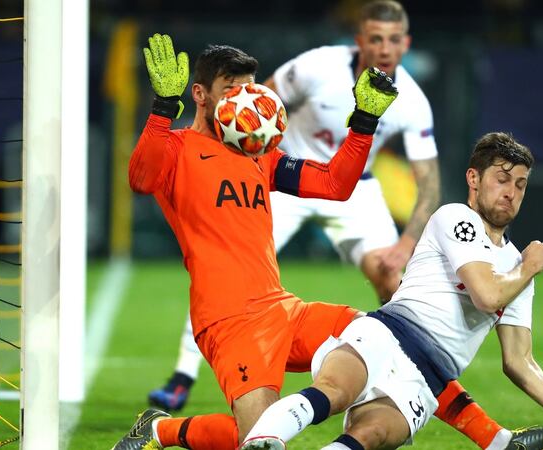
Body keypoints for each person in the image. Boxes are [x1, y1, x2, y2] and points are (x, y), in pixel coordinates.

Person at [149, 3, 543, 450]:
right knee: (254, 422)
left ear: (405, 45)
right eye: (375, 38)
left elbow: (397, 180)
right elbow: (254, 105)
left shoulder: (411, 99)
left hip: (344, 191)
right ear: (360, 40)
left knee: (386, 321)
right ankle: (178, 384)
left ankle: (491, 436)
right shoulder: (315, 66)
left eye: (392, 40)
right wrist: (227, 135)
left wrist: (406, 237)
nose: (383, 48)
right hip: (269, 196)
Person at [239, 132, 543, 450]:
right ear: (474, 178)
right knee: (333, 391)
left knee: (370, 436)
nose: (511, 192)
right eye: (502, 179)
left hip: (428, 381)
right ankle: (262, 442)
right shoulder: (457, 218)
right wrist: (530, 268)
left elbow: (519, 362)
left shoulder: (517, 266)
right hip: (387, 336)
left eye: (520, 184)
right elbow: (486, 295)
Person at [112, 33, 398, 450]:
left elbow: (335, 185)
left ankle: (489, 437)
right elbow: (140, 179)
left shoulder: (261, 155)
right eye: (230, 91)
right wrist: (161, 107)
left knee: (379, 335)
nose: (241, 102)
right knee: (261, 439)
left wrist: (364, 122)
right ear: (200, 94)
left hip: (281, 308)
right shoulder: (175, 148)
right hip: (227, 321)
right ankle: (160, 430)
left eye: (248, 90)